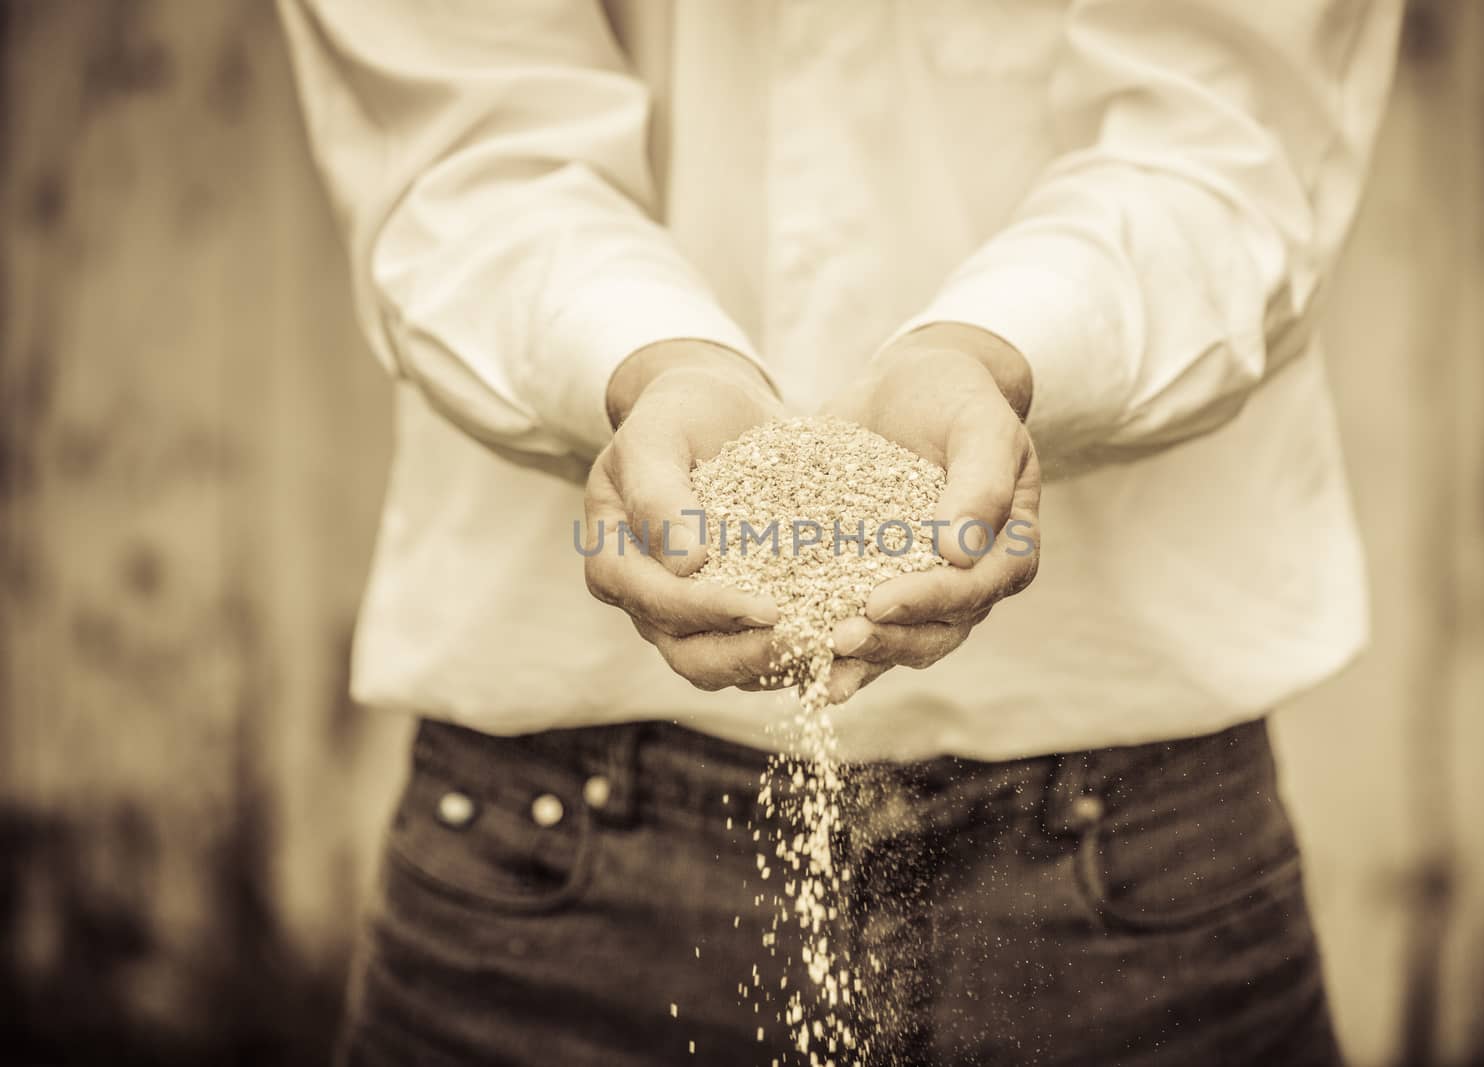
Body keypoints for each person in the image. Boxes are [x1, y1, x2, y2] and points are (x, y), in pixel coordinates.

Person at [278, 1, 1401, 1063]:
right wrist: (648, 361)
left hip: (1131, 820)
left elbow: (1227, 135)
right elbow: (462, 150)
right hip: (558, 820)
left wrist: (995, 350)